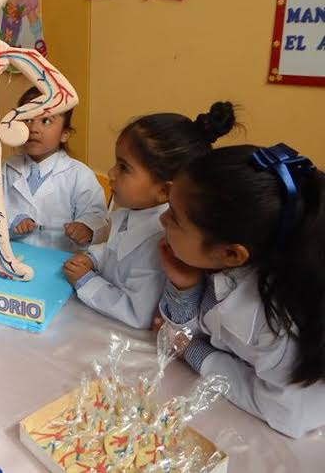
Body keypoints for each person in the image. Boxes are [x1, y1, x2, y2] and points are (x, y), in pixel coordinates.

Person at [157, 144, 325, 438]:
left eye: (174, 217)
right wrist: (184, 287)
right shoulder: (221, 264)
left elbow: (285, 413)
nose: (161, 220)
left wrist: (195, 352)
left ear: (233, 254)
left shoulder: (283, 325)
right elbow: (187, 330)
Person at [62, 102, 236, 329]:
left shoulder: (163, 240)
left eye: (124, 167)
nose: (112, 174)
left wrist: (87, 281)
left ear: (164, 190)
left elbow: (137, 312)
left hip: (128, 334)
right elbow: (117, 251)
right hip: (104, 314)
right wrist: (94, 257)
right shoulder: (133, 210)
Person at [0, 86, 108, 252]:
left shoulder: (80, 175)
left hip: (58, 261)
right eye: (27, 119)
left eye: (46, 121)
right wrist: (12, 220)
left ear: (64, 134)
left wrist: (86, 227)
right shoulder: (4, 168)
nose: (33, 129)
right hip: (10, 254)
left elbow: (98, 216)